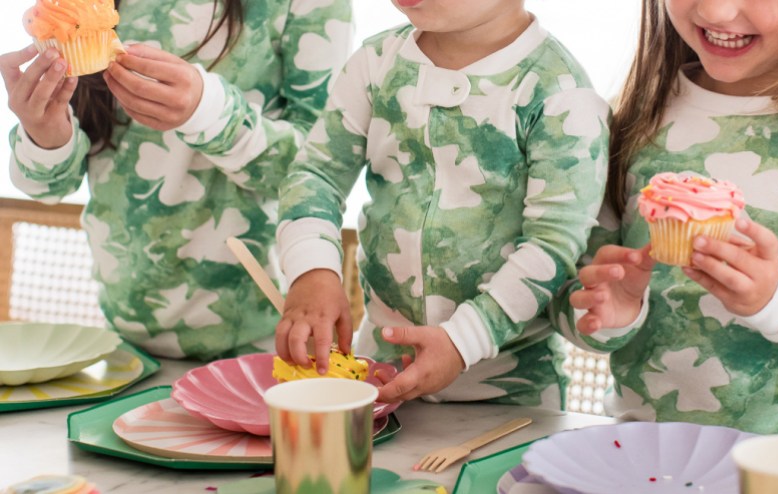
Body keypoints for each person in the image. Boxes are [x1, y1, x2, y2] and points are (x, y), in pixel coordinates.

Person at [556, 0, 778, 442]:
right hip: (641, 461)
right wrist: (613, 314)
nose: (716, 11)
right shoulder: (633, 118)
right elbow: (571, 307)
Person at [275, 0, 609, 408]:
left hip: (512, 401)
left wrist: (463, 341)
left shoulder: (561, 93)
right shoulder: (374, 63)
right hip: (376, 381)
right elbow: (316, 175)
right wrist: (312, 270)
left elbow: (554, 244)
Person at [1, 0, 353, 360]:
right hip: (125, 346)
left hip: (260, 348)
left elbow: (321, 169)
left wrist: (209, 111)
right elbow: (49, 188)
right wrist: (43, 134)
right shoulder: (80, 9)